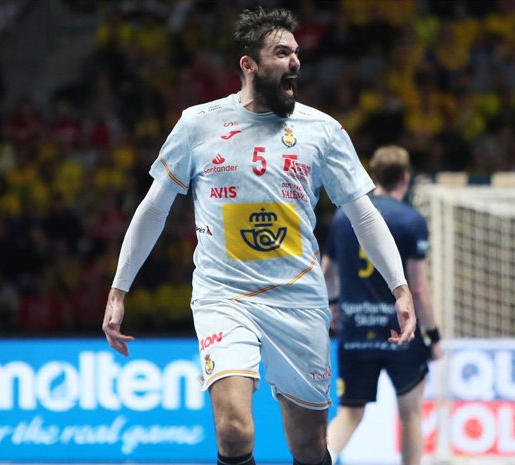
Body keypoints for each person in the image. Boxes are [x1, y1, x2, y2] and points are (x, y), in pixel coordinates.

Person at [102, 8, 417, 465]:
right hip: (223, 296)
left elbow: (363, 214)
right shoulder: (198, 125)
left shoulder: (322, 131)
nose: (295, 62)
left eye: (296, 53)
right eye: (281, 52)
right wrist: (119, 287)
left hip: (298, 299)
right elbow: (154, 208)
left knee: (308, 445)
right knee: (233, 431)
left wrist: (400, 286)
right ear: (248, 64)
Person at [322, 145, 443, 465]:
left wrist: (333, 305)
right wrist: (433, 334)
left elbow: (327, 272)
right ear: (407, 178)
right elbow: (417, 287)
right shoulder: (411, 220)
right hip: (400, 332)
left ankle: (317, 461)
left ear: (373, 176)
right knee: (411, 412)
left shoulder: (342, 217)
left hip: (355, 328)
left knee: (349, 414)